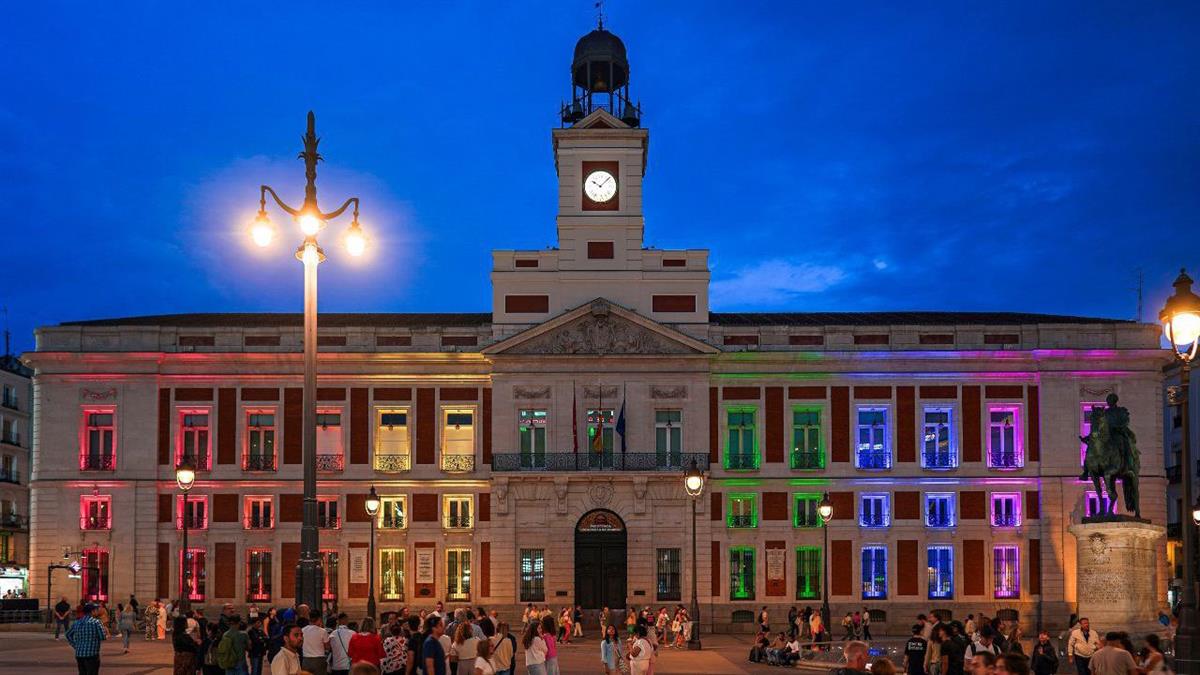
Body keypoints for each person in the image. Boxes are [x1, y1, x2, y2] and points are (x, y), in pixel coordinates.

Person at [66, 603, 106, 675]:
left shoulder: (77, 622)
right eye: (96, 610)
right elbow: (102, 637)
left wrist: (75, 645)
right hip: (92, 654)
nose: (97, 611)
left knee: (82, 673)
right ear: (92, 611)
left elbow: (68, 634)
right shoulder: (96, 622)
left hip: (79, 654)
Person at [302, 609, 331, 675]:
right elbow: (327, 647)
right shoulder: (323, 631)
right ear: (319, 619)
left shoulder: (303, 630)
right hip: (319, 660)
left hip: (306, 660)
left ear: (309, 618)